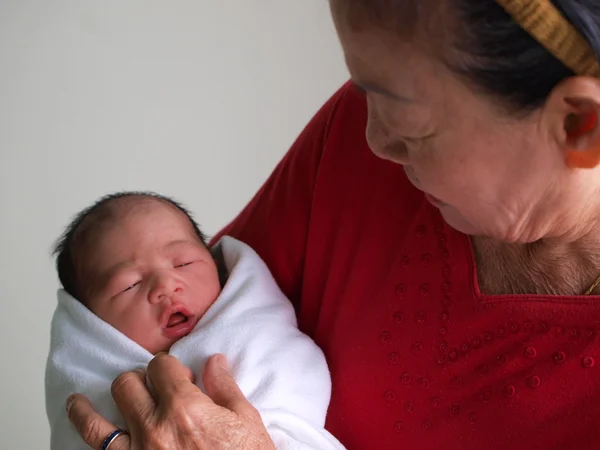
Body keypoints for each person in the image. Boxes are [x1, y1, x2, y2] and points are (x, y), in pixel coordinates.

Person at [65, 0, 600, 449]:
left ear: (579, 123)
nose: (373, 141)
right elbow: (147, 332)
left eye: (408, 119)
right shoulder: (356, 148)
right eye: (363, 89)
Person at [46, 192, 344, 450]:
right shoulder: (90, 391)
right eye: (130, 285)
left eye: (184, 263)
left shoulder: (258, 331)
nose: (166, 284)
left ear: (217, 267)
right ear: (91, 323)